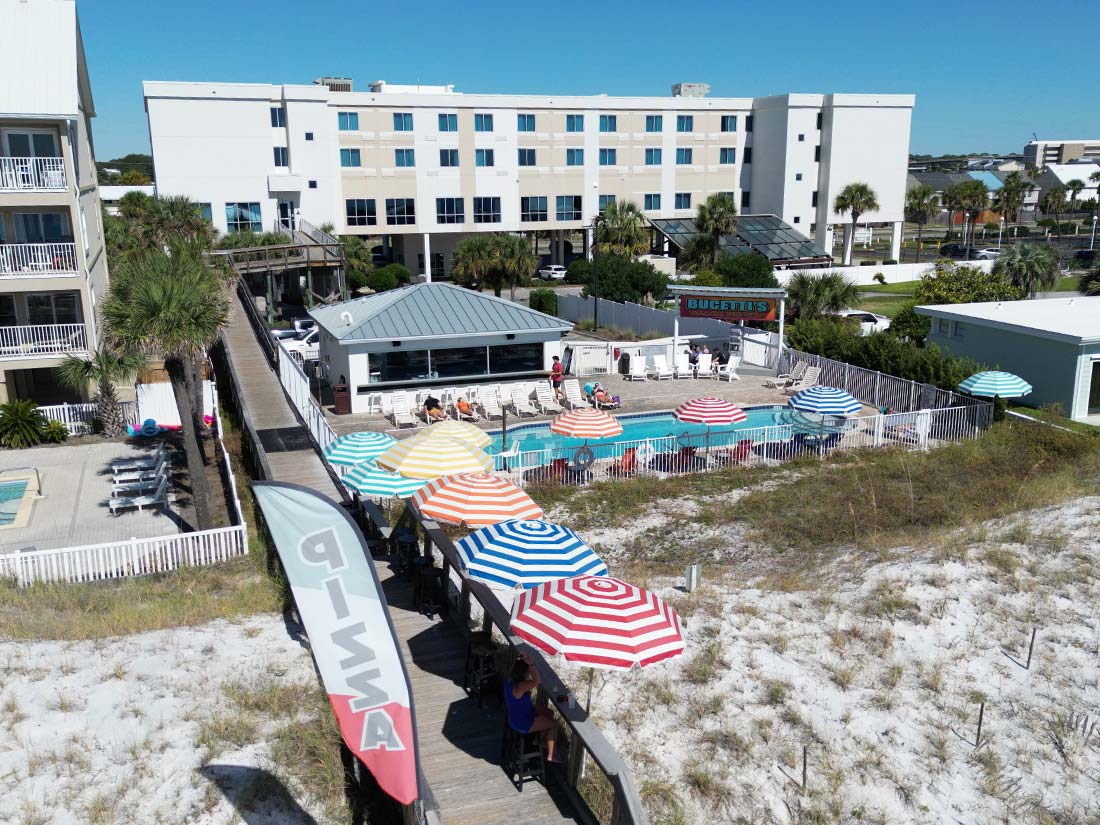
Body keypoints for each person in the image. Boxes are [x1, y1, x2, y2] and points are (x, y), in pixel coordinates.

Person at [504, 652, 560, 763]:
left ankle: (541, 740)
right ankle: (550, 755)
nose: (529, 674)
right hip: (523, 722)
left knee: (549, 713)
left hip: (517, 716)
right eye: (528, 672)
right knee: (554, 724)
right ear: (524, 672)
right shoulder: (519, 687)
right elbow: (537, 681)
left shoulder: (509, 680)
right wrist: (532, 665)